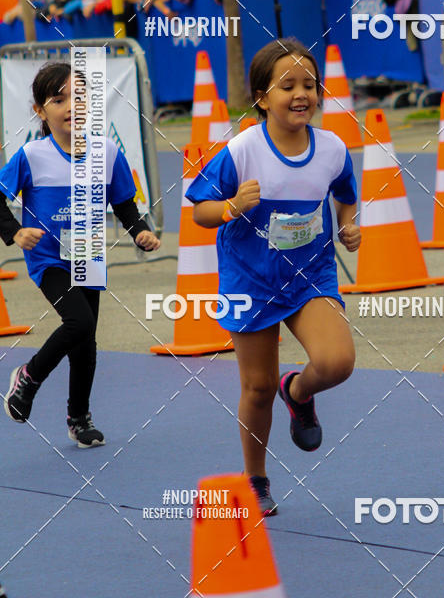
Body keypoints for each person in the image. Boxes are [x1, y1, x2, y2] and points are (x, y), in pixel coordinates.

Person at [186, 38, 360, 516]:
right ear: (262, 98)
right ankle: (256, 480)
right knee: (257, 388)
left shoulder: (332, 149)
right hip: (251, 279)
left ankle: (298, 392)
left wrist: (347, 225)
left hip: (309, 276)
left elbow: (345, 195)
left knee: (337, 362)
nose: (301, 94)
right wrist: (230, 207)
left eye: (310, 84)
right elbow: (200, 209)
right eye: (287, 86)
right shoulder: (242, 150)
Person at [1, 62, 160, 444]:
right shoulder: (32, 155)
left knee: (86, 341)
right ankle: (29, 376)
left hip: (88, 253)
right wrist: (16, 231)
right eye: (59, 100)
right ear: (40, 111)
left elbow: (123, 203)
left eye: (79, 97)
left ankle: (79, 418)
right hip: (49, 259)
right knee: (79, 323)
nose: (72, 106)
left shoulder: (107, 152)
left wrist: (140, 232)